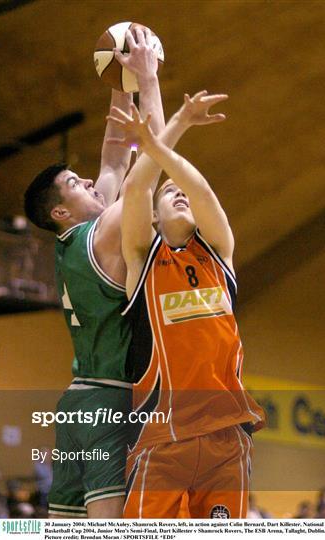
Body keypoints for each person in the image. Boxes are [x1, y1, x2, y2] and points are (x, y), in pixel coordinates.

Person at [23, 28, 165, 519]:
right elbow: (150, 161)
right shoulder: (102, 233)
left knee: (62, 526)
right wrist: (147, 82)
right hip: (107, 402)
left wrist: (117, 74)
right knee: (107, 529)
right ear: (61, 212)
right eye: (74, 184)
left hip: (75, 405)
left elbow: (113, 151)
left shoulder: (73, 242)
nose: (88, 180)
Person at [106, 100, 265, 519]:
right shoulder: (142, 259)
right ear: (154, 219)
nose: (179, 191)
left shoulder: (219, 255)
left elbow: (203, 192)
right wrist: (173, 126)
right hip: (161, 438)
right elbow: (136, 189)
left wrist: (159, 146)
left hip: (225, 436)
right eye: (168, 191)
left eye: (182, 189)